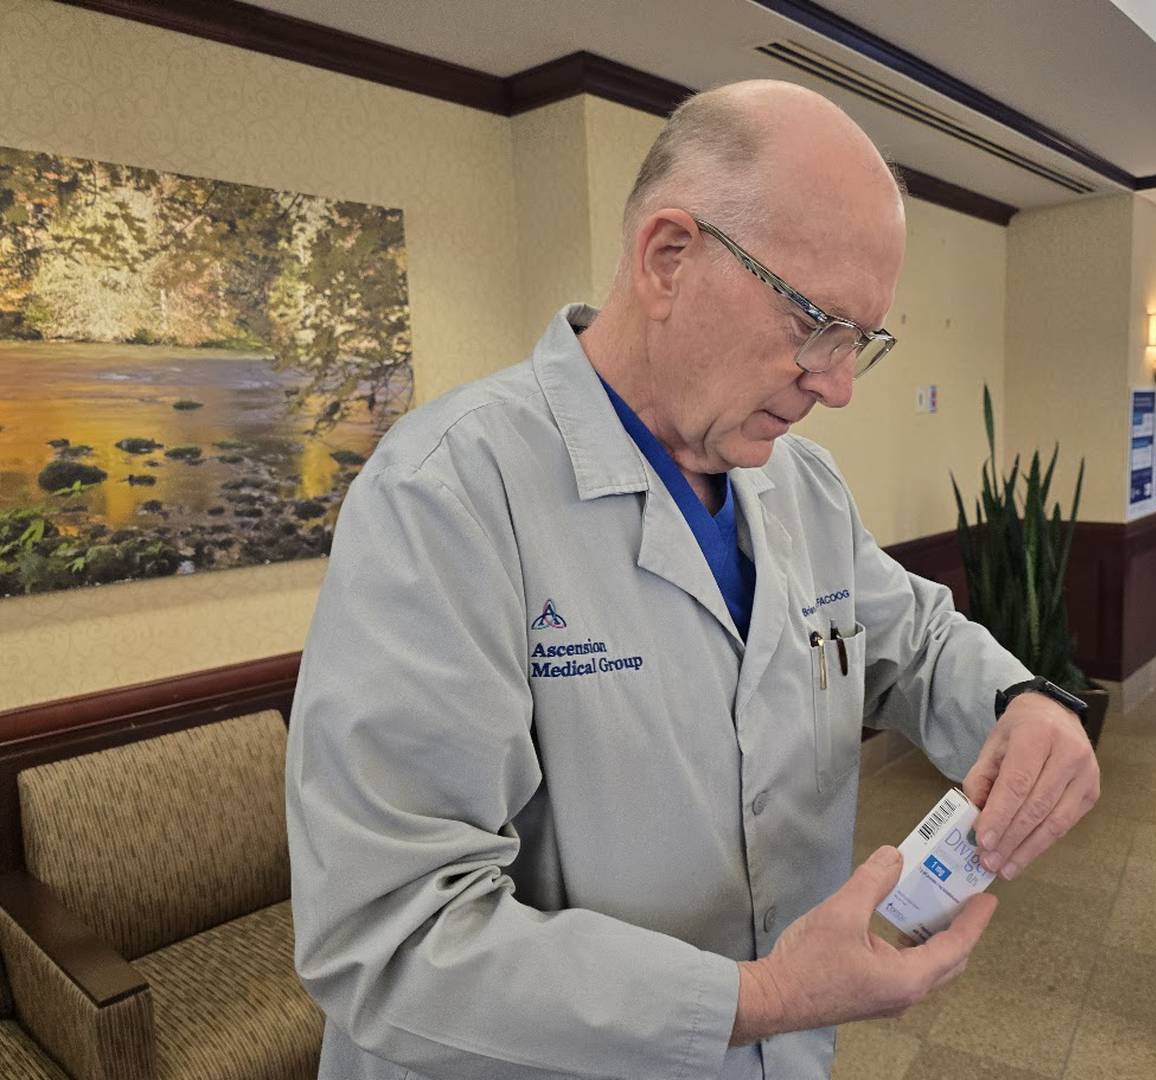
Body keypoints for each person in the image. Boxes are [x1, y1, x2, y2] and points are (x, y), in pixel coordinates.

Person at [286, 80, 1101, 1080]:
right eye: (816, 323)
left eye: (861, 342)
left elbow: (911, 638)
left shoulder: (799, 483)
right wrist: (758, 999)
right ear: (670, 258)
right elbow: (390, 940)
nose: (837, 383)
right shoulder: (449, 493)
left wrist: (1023, 703)